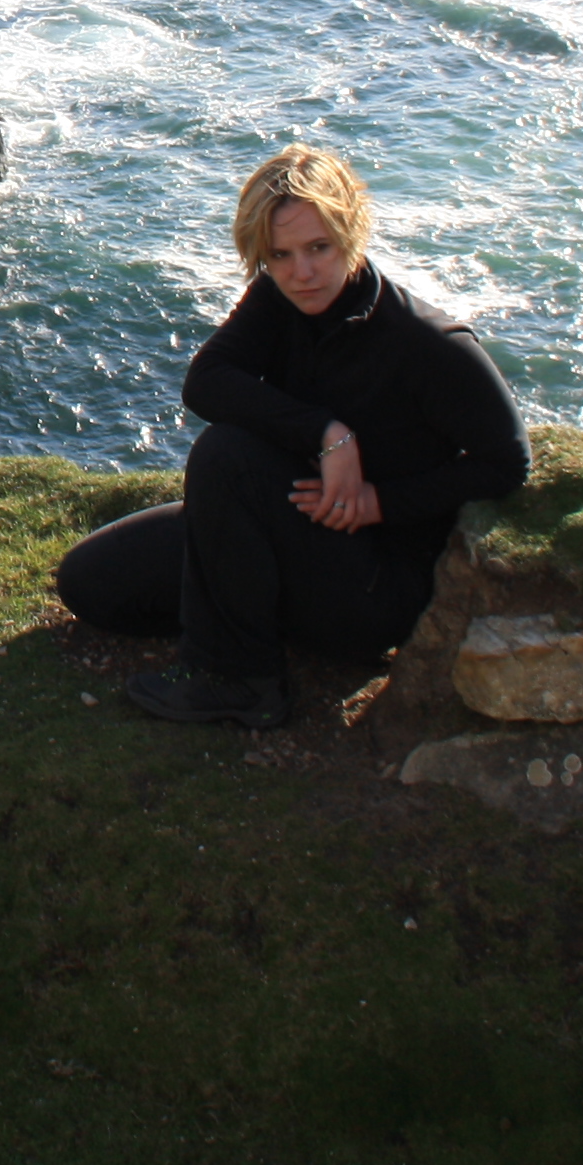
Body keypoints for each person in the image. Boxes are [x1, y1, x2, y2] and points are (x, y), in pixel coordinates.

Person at [54, 144, 529, 730]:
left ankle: (239, 679)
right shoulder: (279, 301)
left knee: (226, 455)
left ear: (351, 232)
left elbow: (507, 461)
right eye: (280, 255)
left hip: (375, 584)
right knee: (91, 584)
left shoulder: (429, 343)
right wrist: (329, 434)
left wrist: (377, 502)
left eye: (318, 248)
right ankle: (250, 618)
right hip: (287, 532)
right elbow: (206, 381)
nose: (302, 272)